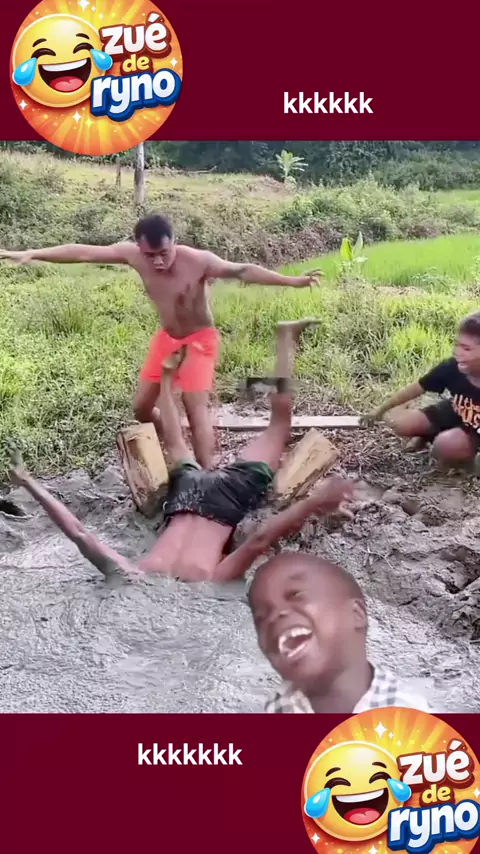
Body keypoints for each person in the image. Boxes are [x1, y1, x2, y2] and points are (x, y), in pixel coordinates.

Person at [8, 320, 355, 584]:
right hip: (185, 495)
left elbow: (260, 540)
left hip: (226, 501)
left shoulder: (202, 580)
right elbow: (79, 533)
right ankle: (167, 376)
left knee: (279, 424)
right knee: (175, 443)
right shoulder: (134, 573)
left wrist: (315, 502)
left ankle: (284, 340)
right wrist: (27, 481)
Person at [0, 215, 321, 469]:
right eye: (149, 255)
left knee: (195, 408)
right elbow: (82, 251)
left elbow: (242, 270)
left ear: (174, 243)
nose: (156, 262)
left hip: (200, 340)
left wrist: (293, 281)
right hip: (167, 339)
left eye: (163, 253)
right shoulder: (132, 255)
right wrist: (34, 253)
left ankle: (206, 470)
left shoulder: (199, 261)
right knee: (141, 409)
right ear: (139, 249)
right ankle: (173, 438)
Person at [248, 552, 430, 713]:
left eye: (297, 595)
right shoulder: (279, 705)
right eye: (261, 617)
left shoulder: (412, 720)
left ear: (356, 614)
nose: (276, 614)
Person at [361, 311, 480, 465]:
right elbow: (415, 389)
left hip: (474, 431)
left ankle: (461, 454)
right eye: (457, 345)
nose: (457, 352)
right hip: (458, 411)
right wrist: (378, 411)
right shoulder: (451, 367)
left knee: (447, 447)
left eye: (466, 349)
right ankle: (428, 434)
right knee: (398, 421)